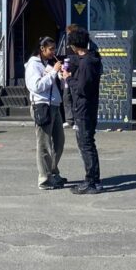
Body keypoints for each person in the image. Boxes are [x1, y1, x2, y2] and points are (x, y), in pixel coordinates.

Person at [60, 27, 102, 193]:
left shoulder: (86, 63)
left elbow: (82, 88)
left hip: (84, 108)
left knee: (85, 145)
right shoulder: (92, 58)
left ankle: (91, 181)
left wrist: (68, 79)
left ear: (74, 45)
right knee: (88, 143)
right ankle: (94, 180)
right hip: (88, 107)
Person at [25, 36, 67, 190]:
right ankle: (44, 179)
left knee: (59, 142)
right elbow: (36, 86)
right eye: (50, 49)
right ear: (42, 49)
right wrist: (53, 73)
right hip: (42, 106)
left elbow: (57, 85)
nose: (53, 52)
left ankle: (53, 172)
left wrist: (62, 76)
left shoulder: (46, 65)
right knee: (44, 144)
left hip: (54, 105)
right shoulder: (33, 65)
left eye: (54, 49)